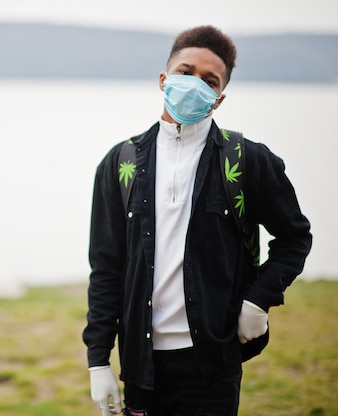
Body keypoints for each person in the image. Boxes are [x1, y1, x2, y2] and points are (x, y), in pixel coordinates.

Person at [82, 25, 312, 416]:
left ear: (219, 99)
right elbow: (106, 269)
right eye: (185, 73)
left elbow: (294, 238)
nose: (194, 85)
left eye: (209, 81)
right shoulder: (119, 164)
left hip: (213, 366)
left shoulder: (247, 161)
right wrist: (99, 359)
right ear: (163, 79)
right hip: (141, 365)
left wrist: (259, 300)